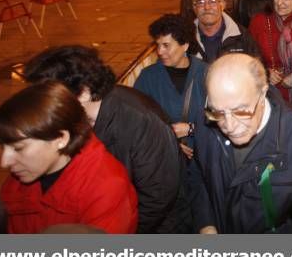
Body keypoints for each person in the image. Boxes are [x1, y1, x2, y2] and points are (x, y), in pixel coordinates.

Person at [23, 46, 189, 233]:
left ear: (84, 93)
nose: (42, 107)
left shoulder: (140, 122)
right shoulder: (74, 118)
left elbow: (157, 198)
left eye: (50, 98)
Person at [189, 53, 292, 233]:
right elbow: (198, 175)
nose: (229, 126)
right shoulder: (205, 124)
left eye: (241, 111)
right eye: (217, 112)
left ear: (262, 92)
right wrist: (205, 222)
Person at [0, 82, 138, 234]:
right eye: (3, 147)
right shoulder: (21, 176)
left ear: (61, 138)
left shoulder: (106, 188)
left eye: (19, 148)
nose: (4, 162)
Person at [134, 14, 208, 159]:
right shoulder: (148, 77)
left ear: (185, 45)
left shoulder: (207, 74)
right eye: (158, 45)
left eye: (166, 45)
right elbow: (137, 122)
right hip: (166, 163)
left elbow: (223, 118)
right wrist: (168, 142)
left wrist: (191, 129)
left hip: (204, 163)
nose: (160, 51)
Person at [191, 0, 259, 63]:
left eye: (212, 1)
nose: (207, 7)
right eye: (201, 2)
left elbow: (257, 69)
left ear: (222, 5)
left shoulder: (242, 37)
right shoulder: (186, 37)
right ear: (194, 8)